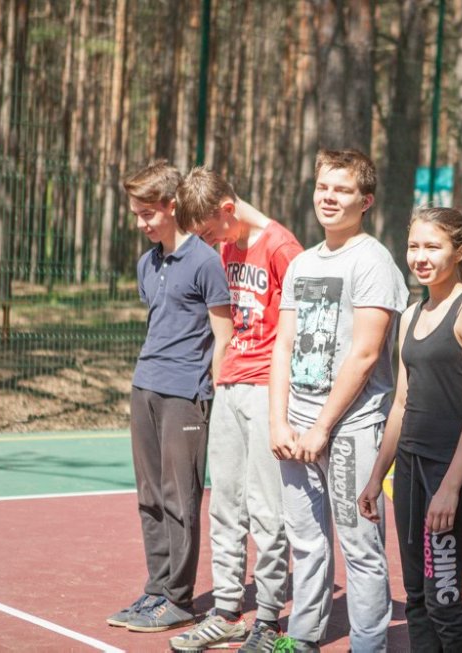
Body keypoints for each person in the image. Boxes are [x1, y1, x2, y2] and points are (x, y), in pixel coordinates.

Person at [269, 149, 408, 652]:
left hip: (350, 428)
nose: (329, 197)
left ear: (365, 200)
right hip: (297, 427)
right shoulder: (304, 262)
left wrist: (322, 427)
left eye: (343, 190)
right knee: (305, 542)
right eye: (324, 187)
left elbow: (366, 353)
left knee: (361, 546)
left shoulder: (373, 261)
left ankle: (368, 646)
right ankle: (303, 637)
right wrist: (278, 422)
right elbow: (282, 344)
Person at [168, 168, 303, 652]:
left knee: (267, 510)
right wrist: (218, 373)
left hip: (268, 388)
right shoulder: (225, 246)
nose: (207, 242)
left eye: (208, 231)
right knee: (225, 505)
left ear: (227, 210)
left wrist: (285, 405)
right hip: (229, 386)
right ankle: (227, 612)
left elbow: (302, 333)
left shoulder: (283, 249)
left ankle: (268, 618)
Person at [359, 208, 462, 651]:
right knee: (416, 598)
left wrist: (451, 487)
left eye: (432, 246)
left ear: (457, 251)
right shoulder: (410, 314)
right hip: (411, 470)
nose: (420, 256)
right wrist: (378, 474)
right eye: (414, 246)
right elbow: (400, 403)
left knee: (443, 600)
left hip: (447, 472)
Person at [107, 160, 233, 633]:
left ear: (171, 205)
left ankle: (179, 599)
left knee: (181, 499)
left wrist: (214, 397)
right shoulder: (148, 262)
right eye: (136, 214)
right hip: (146, 388)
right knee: (150, 496)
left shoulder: (205, 261)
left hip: (187, 394)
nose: (141, 223)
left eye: (148, 213)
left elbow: (224, 336)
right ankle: (156, 589)